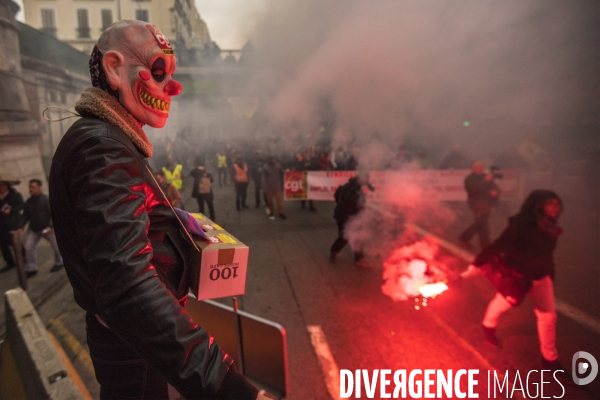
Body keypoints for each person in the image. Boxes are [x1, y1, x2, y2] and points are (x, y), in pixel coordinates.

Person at [48, 20, 257, 399]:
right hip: (130, 344)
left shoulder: (108, 138)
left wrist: (165, 219)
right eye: (158, 71)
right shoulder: (102, 147)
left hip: (129, 339)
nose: (170, 87)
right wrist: (230, 388)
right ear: (114, 69)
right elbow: (127, 283)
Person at [462, 190, 568, 377]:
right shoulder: (521, 223)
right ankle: (488, 326)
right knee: (503, 303)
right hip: (518, 275)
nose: (555, 207)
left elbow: (547, 254)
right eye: (550, 203)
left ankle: (550, 359)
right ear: (538, 205)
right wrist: (478, 262)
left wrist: (550, 274)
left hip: (541, 276)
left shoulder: (552, 226)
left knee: (548, 316)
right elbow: (501, 243)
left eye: (557, 204)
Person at [330, 170, 374, 267]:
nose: (366, 181)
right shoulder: (350, 187)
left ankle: (359, 258)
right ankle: (334, 250)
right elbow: (349, 199)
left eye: (367, 179)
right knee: (344, 237)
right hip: (344, 216)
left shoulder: (359, 186)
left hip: (353, 216)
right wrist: (359, 193)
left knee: (358, 236)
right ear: (359, 179)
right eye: (365, 179)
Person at [22, 179, 63, 278]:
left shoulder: (45, 200)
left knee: (57, 246)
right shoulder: (29, 202)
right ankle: (32, 268)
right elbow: (25, 216)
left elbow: (52, 214)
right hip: (34, 229)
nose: (31, 189)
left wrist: (50, 226)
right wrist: (20, 226)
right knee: (28, 247)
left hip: (47, 228)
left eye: (33, 187)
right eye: (30, 187)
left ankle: (59, 262)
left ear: (40, 188)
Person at [458, 160, 499, 250]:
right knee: (482, 224)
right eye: (478, 166)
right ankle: (485, 246)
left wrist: (495, 191)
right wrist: (485, 181)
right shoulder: (469, 179)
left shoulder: (486, 176)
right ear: (472, 168)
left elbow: (494, 186)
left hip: (487, 204)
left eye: (481, 166)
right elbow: (473, 190)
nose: (480, 168)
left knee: (481, 224)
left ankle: (464, 238)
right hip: (476, 204)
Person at [0, 175, 24, 273]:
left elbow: (21, 206)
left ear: (6, 185)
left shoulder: (14, 195)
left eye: (1, 185)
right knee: (3, 244)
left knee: (15, 242)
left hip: (12, 222)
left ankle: (23, 257)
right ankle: (9, 262)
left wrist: (11, 210)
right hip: (1, 224)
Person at [262, 156, 286, 220]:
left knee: (279, 200)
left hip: (277, 186)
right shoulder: (265, 167)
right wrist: (264, 188)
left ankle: (281, 213)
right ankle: (271, 212)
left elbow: (282, 173)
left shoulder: (278, 165)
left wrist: (287, 171)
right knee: (270, 200)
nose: (273, 160)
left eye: (274, 159)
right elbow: (263, 178)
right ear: (269, 160)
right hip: (269, 187)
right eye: (272, 159)